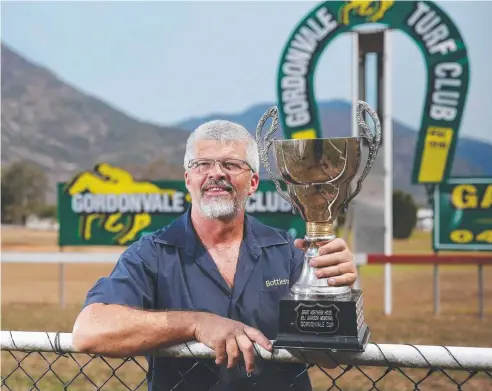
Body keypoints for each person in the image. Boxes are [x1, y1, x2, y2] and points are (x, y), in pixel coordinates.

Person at [72, 119, 358, 391]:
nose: (216, 173)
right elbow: (90, 330)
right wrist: (196, 323)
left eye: (231, 164)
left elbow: (330, 358)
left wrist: (338, 291)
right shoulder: (152, 254)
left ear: (254, 182)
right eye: (202, 164)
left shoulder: (289, 253)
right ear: (188, 179)